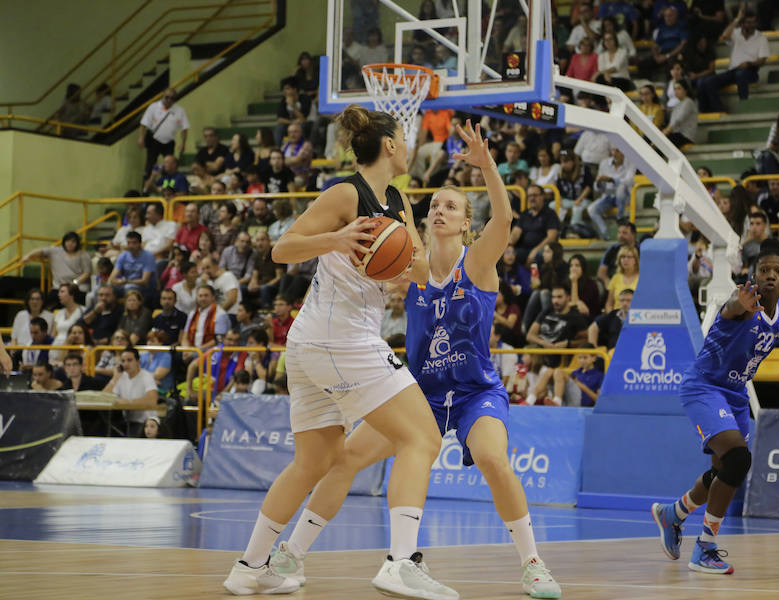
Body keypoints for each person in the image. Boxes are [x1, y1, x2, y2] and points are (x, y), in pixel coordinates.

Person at [271, 120, 561, 599]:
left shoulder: (478, 263)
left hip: (473, 390)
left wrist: (486, 165)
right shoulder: (410, 265)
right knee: (344, 460)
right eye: (434, 207)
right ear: (423, 222)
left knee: (493, 459)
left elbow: (505, 220)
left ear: (468, 222)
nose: (440, 210)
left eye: (452, 206)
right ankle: (291, 552)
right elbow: (364, 261)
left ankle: (533, 564)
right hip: (421, 392)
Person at [222, 104, 457, 599]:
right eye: (405, 137)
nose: (410, 145)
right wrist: (337, 238)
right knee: (423, 436)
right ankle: (400, 563)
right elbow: (281, 249)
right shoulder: (346, 193)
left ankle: (249, 566)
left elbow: (417, 273)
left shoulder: (399, 200)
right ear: (390, 145)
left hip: (315, 343)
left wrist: (402, 257)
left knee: (316, 460)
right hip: (339, 339)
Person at [651, 239, 779, 574]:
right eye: (764, 270)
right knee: (739, 458)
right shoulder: (743, 302)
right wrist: (740, 300)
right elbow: (731, 306)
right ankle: (705, 548)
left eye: (778, 270)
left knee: (723, 470)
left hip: (735, 394)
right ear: (753, 273)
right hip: (704, 386)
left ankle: (673, 514)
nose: (770, 276)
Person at [696, 6, 768, 114]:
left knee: (741, 74)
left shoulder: (761, 37)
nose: (752, 25)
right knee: (706, 82)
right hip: (733, 70)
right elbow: (725, 35)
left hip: (750, 71)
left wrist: (748, 64)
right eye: (748, 22)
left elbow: (762, 60)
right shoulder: (736, 33)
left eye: (753, 22)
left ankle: (744, 105)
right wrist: (737, 19)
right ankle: (718, 109)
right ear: (742, 23)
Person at [103, 347, 158, 437]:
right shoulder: (121, 376)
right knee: (106, 428)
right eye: (123, 361)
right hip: (127, 420)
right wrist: (115, 378)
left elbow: (152, 400)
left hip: (145, 422)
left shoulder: (146, 376)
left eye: (129, 360)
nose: (126, 364)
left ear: (138, 362)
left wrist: (128, 401)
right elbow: (103, 397)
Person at [21, 232, 92, 298]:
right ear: (64, 242)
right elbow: (41, 251)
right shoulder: (56, 251)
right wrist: (28, 256)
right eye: (68, 241)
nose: (70, 244)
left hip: (77, 287)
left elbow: (87, 273)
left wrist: (74, 283)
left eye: (73, 241)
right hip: (58, 288)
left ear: (77, 243)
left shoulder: (84, 255)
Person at [138, 87, 189, 178]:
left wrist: (183, 143)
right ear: (162, 96)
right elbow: (143, 124)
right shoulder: (153, 107)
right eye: (167, 97)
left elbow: (184, 129)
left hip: (169, 142)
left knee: (169, 168)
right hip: (154, 141)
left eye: (172, 98)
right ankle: (146, 190)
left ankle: (167, 188)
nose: (169, 100)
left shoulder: (179, 110)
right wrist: (141, 138)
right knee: (149, 166)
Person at [605, 246, 639, 313]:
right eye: (623, 257)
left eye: (629, 257)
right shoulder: (616, 278)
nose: (625, 260)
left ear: (635, 260)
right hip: (617, 315)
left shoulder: (641, 278)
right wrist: (611, 316)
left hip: (636, 315)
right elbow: (609, 304)